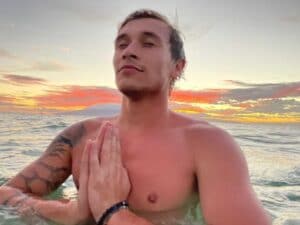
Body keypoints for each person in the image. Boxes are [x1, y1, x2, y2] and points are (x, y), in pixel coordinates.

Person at [0, 9, 271, 225]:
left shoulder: (209, 144)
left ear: (177, 67)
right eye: (122, 44)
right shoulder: (78, 137)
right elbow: (5, 195)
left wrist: (114, 212)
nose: (128, 51)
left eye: (148, 43)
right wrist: (67, 213)